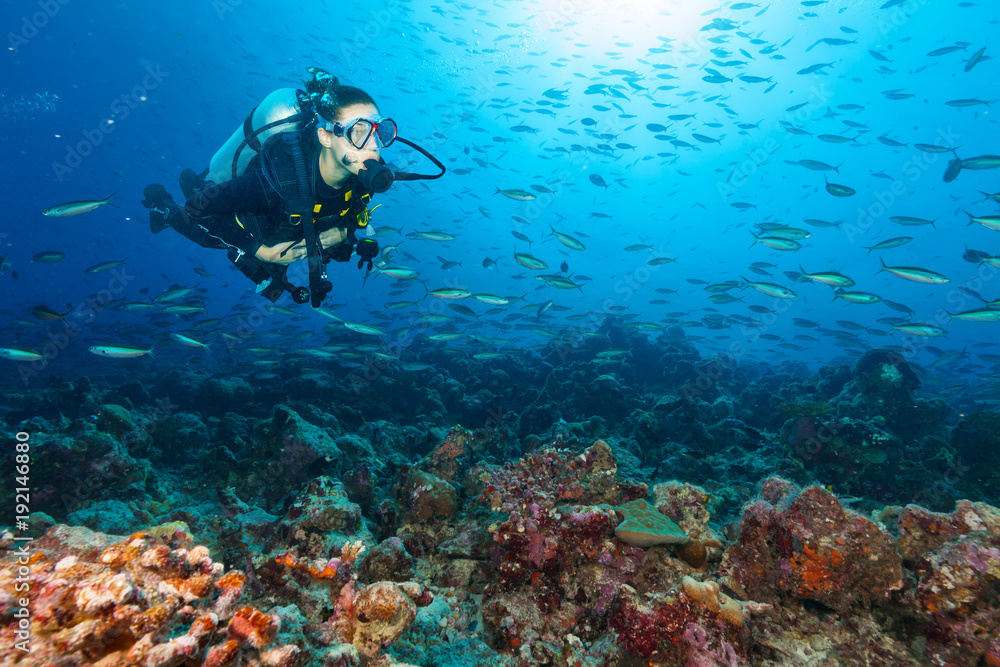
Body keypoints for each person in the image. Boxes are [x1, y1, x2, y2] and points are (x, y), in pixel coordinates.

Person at [141, 67, 443, 306]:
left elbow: (346, 216)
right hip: (246, 222)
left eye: (380, 132)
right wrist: (260, 250)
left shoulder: (361, 174)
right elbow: (199, 208)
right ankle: (162, 204)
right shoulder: (276, 181)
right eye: (359, 132)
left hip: (292, 232)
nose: (374, 146)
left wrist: (347, 238)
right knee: (203, 234)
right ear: (325, 136)